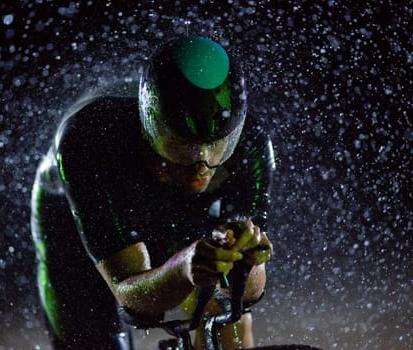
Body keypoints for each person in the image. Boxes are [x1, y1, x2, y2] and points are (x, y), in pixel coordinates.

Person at [31, 36, 275, 349]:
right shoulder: (90, 138)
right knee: (90, 336)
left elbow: (243, 296)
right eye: (182, 146)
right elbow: (133, 298)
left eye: (217, 147)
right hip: (72, 217)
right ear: (150, 125)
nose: (200, 166)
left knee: (224, 314)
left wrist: (246, 264)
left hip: (161, 197)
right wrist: (185, 268)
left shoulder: (251, 145)